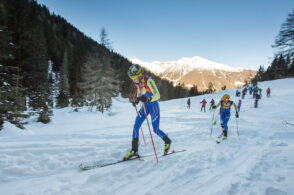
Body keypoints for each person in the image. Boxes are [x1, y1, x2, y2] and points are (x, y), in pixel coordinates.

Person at [123, 64, 172, 160]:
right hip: (145, 107)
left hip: (154, 107)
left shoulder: (148, 80)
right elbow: (139, 91)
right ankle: (134, 150)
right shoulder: (138, 83)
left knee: (155, 129)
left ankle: (167, 141)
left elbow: (157, 95)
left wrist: (147, 99)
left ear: (140, 74)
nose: (133, 80)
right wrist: (137, 100)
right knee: (136, 126)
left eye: (134, 77)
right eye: (131, 78)